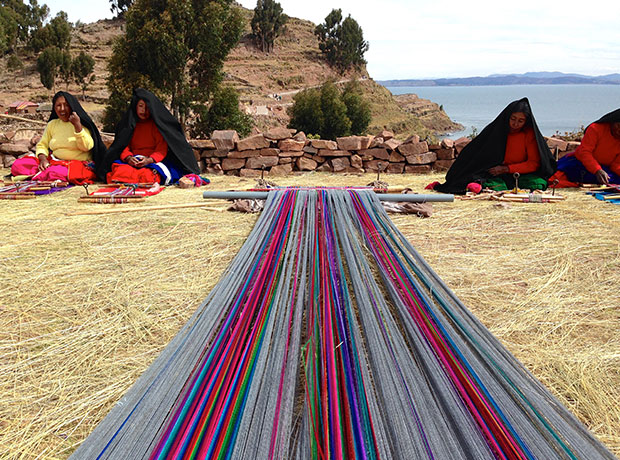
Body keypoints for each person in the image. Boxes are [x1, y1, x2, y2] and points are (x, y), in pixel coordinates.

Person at [432, 98, 556, 194]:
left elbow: (533, 163)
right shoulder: (497, 131)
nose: (515, 124)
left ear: (526, 122)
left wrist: (507, 169)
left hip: (518, 173)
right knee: (482, 180)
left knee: (538, 183)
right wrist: (496, 168)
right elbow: (477, 153)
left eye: (520, 121)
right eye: (513, 119)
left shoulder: (529, 135)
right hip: (493, 172)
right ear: (507, 117)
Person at [99, 88, 200, 184]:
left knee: (149, 175)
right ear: (135, 106)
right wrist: (129, 158)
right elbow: (122, 145)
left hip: (152, 161)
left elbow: (161, 149)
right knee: (120, 171)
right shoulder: (128, 126)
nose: (144, 111)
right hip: (132, 160)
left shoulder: (157, 126)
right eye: (141, 106)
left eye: (147, 107)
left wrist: (149, 160)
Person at [10, 91, 106, 184]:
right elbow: (42, 145)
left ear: (72, 107)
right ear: (54, 108)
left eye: (66, 105)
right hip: (54, 161)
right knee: (18, 165)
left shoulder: (81, 123)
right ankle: (44, 173)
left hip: (77, 165)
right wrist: (43, 159)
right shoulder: (52, 124)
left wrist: (77, 126)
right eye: (58, 105)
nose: (62, 109)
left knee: (55, 173)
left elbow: (87, 146)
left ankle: (44, 174)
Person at [549, 108, 620, 186]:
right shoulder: (595, 128)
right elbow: (585, 152)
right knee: (559, 177)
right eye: (618, 125)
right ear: (612, 122)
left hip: (604, 169)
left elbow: (616, 165)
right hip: (580, 163)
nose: (619, 130)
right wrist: (597, 170)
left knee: (612, 179)